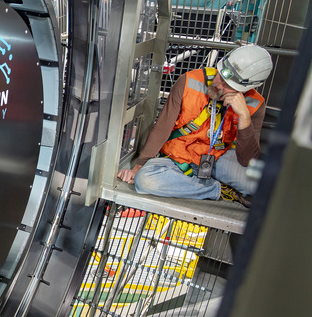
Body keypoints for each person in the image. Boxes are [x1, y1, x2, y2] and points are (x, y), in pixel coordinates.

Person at [117, 45, 273, 207]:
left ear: (245, 90)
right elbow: (162, 127)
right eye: (221, 76)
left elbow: (248, 160)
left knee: (259, 186)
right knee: (145, 180)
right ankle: (218, 190)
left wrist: (244, 117)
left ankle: (192, 184)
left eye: (229, 86)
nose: (219, 85)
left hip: (219, 157)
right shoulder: (190, 80)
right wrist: (138, 167)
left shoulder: (254, 104)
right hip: (178, 155)